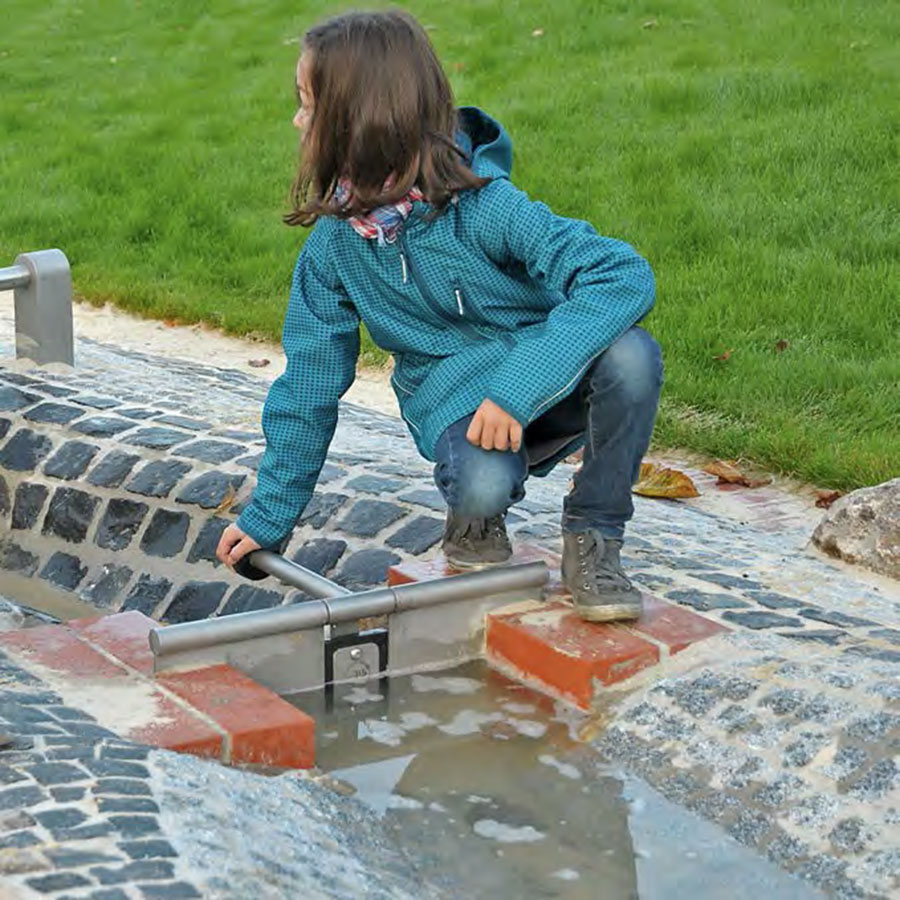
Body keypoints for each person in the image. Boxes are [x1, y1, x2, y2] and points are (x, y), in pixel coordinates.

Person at [216, 9, 663, 623]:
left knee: (633, 355)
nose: (297, 120)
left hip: (539, 379)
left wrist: (518, 388)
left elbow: (621, 274)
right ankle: (475, 519)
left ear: (359, 118)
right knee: (482, 485)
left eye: (307, 104)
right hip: (453, 398)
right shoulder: (333, 250)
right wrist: (268, 516)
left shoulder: (485, 206)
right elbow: (308, 388)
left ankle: (595, 534)